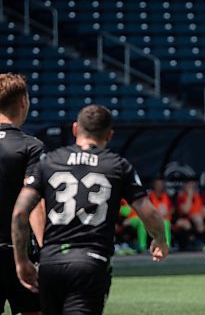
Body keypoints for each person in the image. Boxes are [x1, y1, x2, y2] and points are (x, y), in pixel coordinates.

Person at [11, 104, 168, 315]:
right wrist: (160, 239)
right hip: (91, 263)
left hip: (51, 263)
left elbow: (20, 213)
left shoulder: (49, 161)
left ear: (75, 129)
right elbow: (149, 213)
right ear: (110, 135)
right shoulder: (118, 166)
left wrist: (21, 260)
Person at [0, 73, 43, 315]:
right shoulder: (31, 146)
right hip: (18, 250)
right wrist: (47, 250)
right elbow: (34, 203)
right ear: (23, 102)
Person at [175, 179, 205, 250]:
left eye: (192, 186)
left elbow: (204, 211)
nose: (191, 188)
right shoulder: (181, 196)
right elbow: (186, 210)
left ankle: (201, 242)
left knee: (199, 220)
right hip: (184, 219)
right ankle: (192, 242)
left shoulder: (198, 196)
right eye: (189, 186)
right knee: (186, 223)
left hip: (198, 219)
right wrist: (189, 196)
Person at [148, 178, 173, 247]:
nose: (159, 186)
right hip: (153, 219)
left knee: (166, 223)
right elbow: (148, 209)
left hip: (165, 219)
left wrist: (168, 214)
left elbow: (171, 209)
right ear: (154, 185)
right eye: (157, 185)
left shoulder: (166, 196)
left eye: (161, 185)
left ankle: (166, 245)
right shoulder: (151, 196)